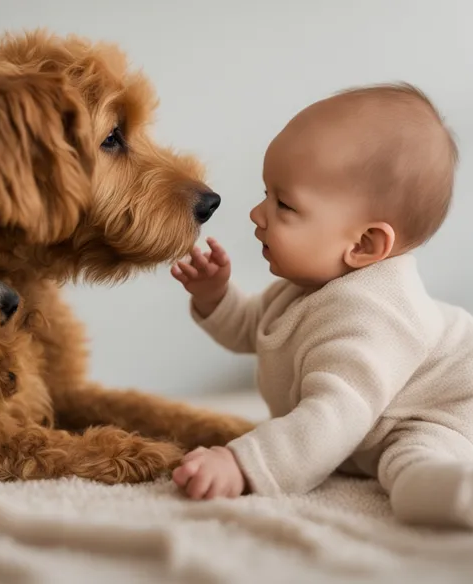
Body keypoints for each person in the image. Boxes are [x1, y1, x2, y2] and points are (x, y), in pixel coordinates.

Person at [170, 83, 473, 529]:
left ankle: (457, 492)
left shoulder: (372, 315)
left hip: (449, 406)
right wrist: (215, 295)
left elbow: (332, 418)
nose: (257, 213)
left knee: (410, 469)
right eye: (266, 193)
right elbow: (256, 327)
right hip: (391, 413)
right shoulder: (313, 286)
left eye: (284, 204)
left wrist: (241, 463)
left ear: (365, 243)